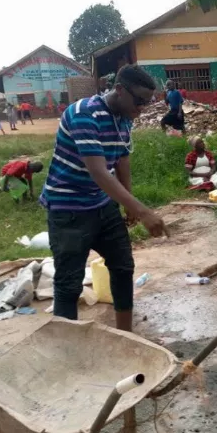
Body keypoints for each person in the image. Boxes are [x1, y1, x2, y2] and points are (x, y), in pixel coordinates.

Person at [40, 64, 167, 332]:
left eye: (148, 102)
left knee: (123, 267)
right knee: (68, 283)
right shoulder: (83, 113)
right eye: (139, 100)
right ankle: (68, 351)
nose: (142, 108)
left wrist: (128, 201)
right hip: (68, 210)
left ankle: (125, 336)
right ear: (119, 90)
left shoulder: (124, 116)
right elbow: (98, 171)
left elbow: (121, 158)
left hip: (102, 205)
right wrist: (143, 212)